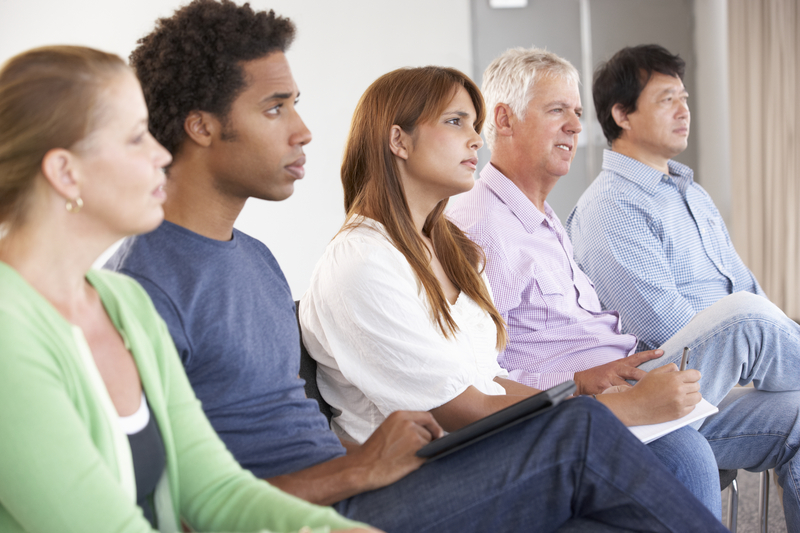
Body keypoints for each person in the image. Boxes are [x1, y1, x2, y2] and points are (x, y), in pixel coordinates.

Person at [104, 2, 727, 531]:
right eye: (275, 108)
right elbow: (168, 501)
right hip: (327, 508)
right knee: (590, 439)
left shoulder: (254, 259)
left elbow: (299, 422)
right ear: (201, 126)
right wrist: (359, 468)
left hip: (360, 482)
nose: (303, 131)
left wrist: (374, 457)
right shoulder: (142, 285)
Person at [299, 63, 728, 532]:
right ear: (398, 141)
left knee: (671, 457)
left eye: (473, 124)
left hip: (473, 454)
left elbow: (490, 382)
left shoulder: (448, 248)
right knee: (615, 435)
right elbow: (462, 410)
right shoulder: (362, 262)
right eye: (455, 121)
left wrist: (585, 387)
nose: (475, 140)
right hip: (419, 479)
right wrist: (626, 408)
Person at [0, 45, 370, 533]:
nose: (161, 153)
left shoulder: (123, 304)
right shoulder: (10, 329)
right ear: (67, 173)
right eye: (137, 139)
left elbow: (215, 491)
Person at [448, 46, 800, 528]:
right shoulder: (477, 224)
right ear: (504, 121)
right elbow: (481, 372)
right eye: (557, 111)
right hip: (600, 410)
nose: (575, 125)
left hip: (633, 379)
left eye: (575, 112)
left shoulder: (545, 218)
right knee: (745, 319)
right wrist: (583, 396)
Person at [566, 44, 765, 352]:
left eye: (683, 98)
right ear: (622, 115)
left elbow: (747, 291)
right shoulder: (611, 206)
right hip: (693, 380)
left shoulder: (693, 194)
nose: (683, 110)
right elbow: (674, 332)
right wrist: (762, 352)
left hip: (745, 360)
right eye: (667, 99)